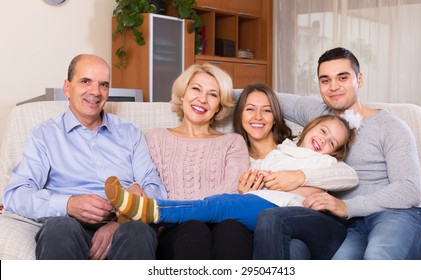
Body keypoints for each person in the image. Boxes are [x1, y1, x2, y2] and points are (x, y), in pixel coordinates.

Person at [253, 47, 421, 260]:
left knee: (377, 257)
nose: (333, 87)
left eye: (342, 77)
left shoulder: (391, 126)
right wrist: (212, 93)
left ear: (359, 79)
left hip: (397, 215)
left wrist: (346, 206)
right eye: (325, 80)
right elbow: (261, 96)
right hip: (350, 227)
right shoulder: (317, 114)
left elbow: (409, 189)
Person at [104, 88, 358, 231]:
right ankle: (146, 209)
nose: (324, 141)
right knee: (222, 204)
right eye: (249, 108)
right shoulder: (279, 151)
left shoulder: (320, 160)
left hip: (285, 213)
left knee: (220, 205)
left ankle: (152, 210)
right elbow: (260, 177)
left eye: (267, 110)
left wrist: (299, 179)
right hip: (259, 207)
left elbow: (348, 176)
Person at [2, 54, 167, 260]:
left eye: (103, 85)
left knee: (138, 232)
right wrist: (68, 204)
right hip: (68, 224)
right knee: (59, 229)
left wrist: (123, 217)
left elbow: (157, 189)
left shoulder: (130, 132)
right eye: (85, 81)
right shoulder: (43, 136)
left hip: (125, 226)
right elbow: (16, 195)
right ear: (67, 87)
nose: (96, 92)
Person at [144, 63, 253, 260]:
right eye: (196, 89)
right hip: (176, 232)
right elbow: (152, 190)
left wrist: (181, 207)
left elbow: (232, 194)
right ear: (182, 94)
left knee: (232, 229)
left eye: (213, 94)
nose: (202, 99)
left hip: (224, 226)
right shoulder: (156, 138)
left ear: (220, 105)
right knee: (193, 229)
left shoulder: (232, 142)